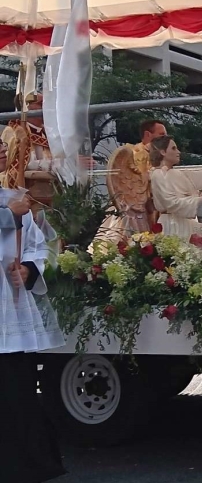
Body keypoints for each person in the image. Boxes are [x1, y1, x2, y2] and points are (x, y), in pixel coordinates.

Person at [0, 141, 67, 483]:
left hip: (8, 307)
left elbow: (38, 245)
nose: (1, 151)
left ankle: (27, 463)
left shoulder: (12, 197)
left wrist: (29, 268)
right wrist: (8, 215)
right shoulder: (10, 205)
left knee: (19, 389)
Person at [149, 136, 202, 241]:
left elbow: (201, 174)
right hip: (172, 224)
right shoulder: (158, 174)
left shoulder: (177, 172)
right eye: (173, 148)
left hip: (185, 223)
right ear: (163, 152)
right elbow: (171, 204)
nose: (178, 152)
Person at [100, 120, 169, 242]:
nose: (166, 139)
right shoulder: (134, 153)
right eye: (161, 135)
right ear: (148, 135)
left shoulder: (163, 154)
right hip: (137, 205)